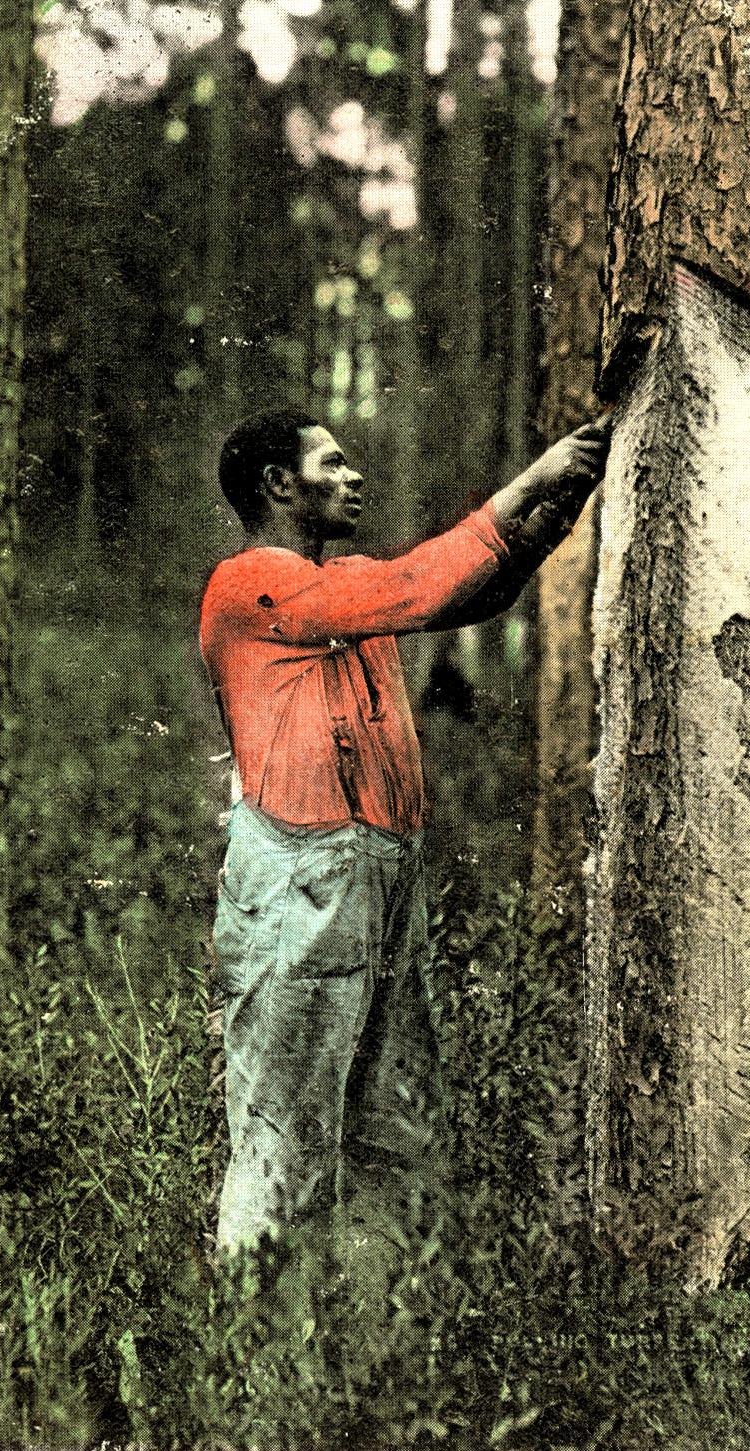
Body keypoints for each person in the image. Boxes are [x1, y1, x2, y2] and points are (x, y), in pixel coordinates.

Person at [199, 406, 611, 1266]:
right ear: (279, 485)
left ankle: (368, 1354)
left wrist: (562, 504)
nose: (355, 479)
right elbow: (421, 585)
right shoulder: (250, 585)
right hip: (299, 884)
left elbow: (472, 590)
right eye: (332, 464)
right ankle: (256, 1355)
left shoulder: (339, 582)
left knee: (393, 1126)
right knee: (285, 1132)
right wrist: (532, 480)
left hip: (381, 879)